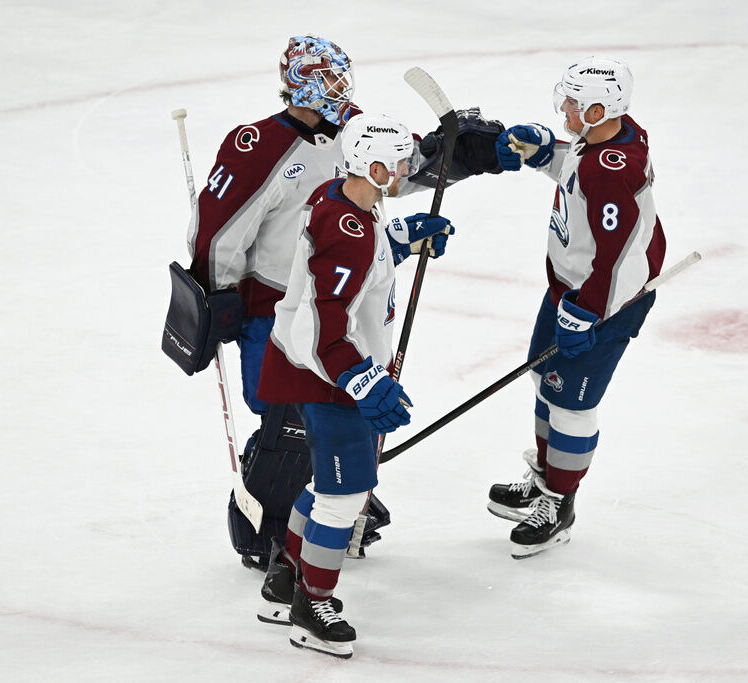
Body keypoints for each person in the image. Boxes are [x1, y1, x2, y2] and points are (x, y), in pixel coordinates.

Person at [186, 34, 504, 568]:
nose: (341, 89)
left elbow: (387, 175)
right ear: (300, 85)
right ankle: (266, 530)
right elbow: (220, 231)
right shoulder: (259, 145)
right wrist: (216, 295)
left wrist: (451, 153)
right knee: (288, 416)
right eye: (329, 80)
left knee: (336, 402)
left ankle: (334, 494)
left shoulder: (351, 128)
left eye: (341, 77)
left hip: (339, 293)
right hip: (276, 304)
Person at [253, 112, 456, 658]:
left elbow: (357, 245)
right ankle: (311, 607)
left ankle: (286, 577)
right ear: (371, 163)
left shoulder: (344, 199)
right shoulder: (347, 234)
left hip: (324, 370)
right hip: (330, 377)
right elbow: (324, 326)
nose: (407, 168)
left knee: (327, 484)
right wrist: (364, 382)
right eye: (398, 160)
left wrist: (398, 237)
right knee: (345, 496)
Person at [486, 57, 667, 559]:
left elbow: (621, 254)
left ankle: (559, 502)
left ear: (596, 107)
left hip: (604, 304)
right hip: (571, 292)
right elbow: (579, 168)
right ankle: (547, 474)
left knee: (572, 404)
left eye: (570, 102)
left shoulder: (613, 172)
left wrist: (589, 311)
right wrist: (548, 152)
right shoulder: (609, 137)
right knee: (544, 380)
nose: (561, 107)